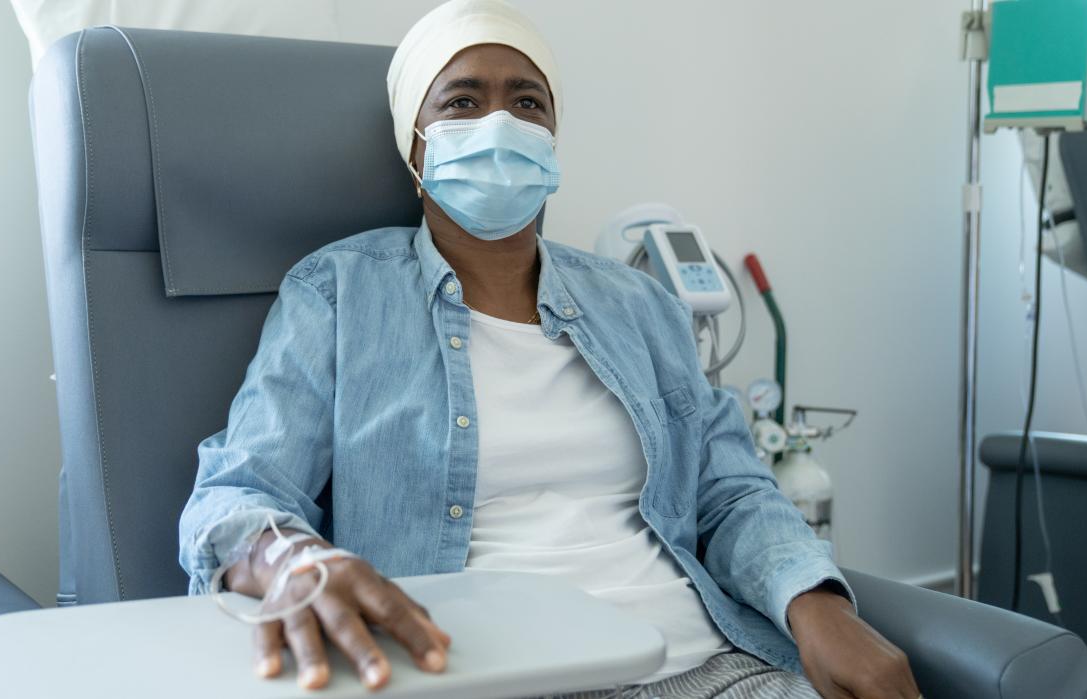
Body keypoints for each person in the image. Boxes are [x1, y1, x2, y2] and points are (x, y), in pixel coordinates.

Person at [179, 1, 921, 697]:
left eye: (527, 102)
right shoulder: (338, 293)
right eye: (463, 101)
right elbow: (237, 492)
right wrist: (293, 562)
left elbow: (729, 493)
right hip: (481, 673)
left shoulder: (641, 305)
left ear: (553, 136)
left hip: (707, 665)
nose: (500, 122)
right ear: (415, 141)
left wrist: (817, 604)